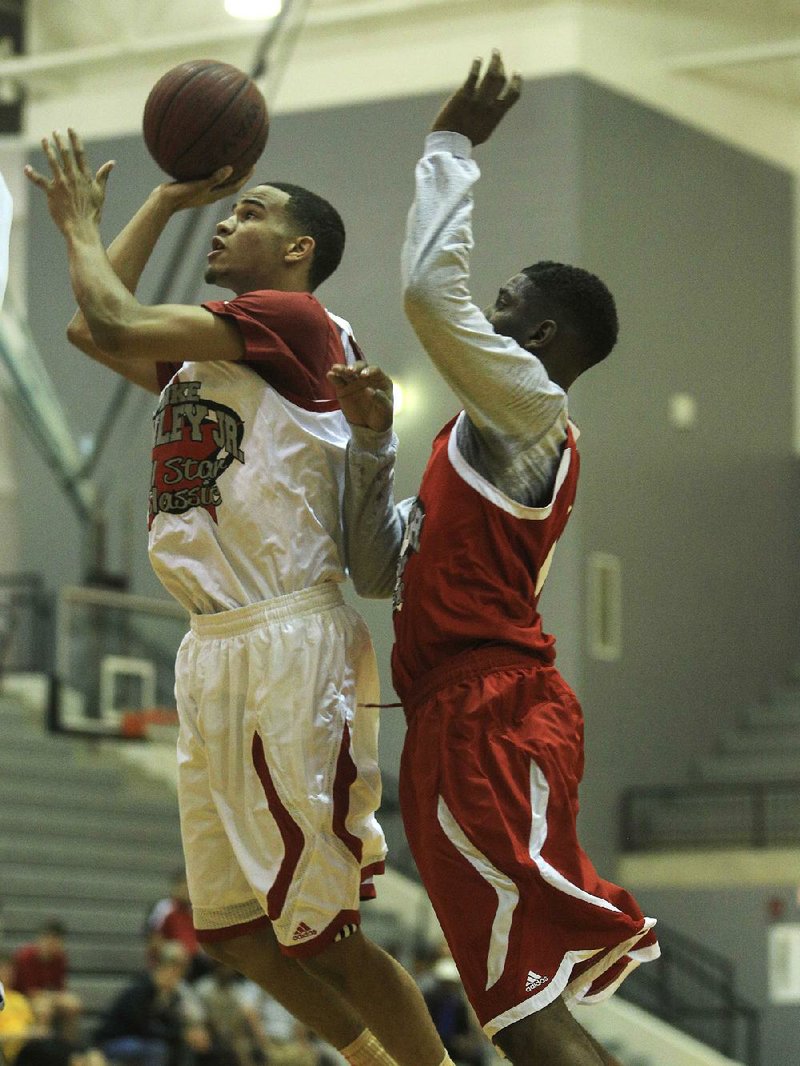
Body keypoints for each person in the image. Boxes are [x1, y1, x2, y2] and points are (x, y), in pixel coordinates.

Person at [24, 131, 452, 1066]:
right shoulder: (219, 357)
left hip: (286, 635)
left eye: (250, 212)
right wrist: (165, 205)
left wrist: (81, 227)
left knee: (323, 925)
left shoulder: (295, 324)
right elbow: (91, 329)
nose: (229, 220)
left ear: (298, 251)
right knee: (232, 931)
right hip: (212, 645)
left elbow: (114, 313)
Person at [331, 52, 660, 1065]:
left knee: (520, 1013)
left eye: (506, 298)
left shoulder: (530, 407)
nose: (489, 309)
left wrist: (450, 145)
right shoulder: (470, 440)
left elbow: (431, 292)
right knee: (511, 1007)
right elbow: (378, 573)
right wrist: (377, 444)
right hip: (459, 711)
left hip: (488, 710)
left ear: (541, 333)